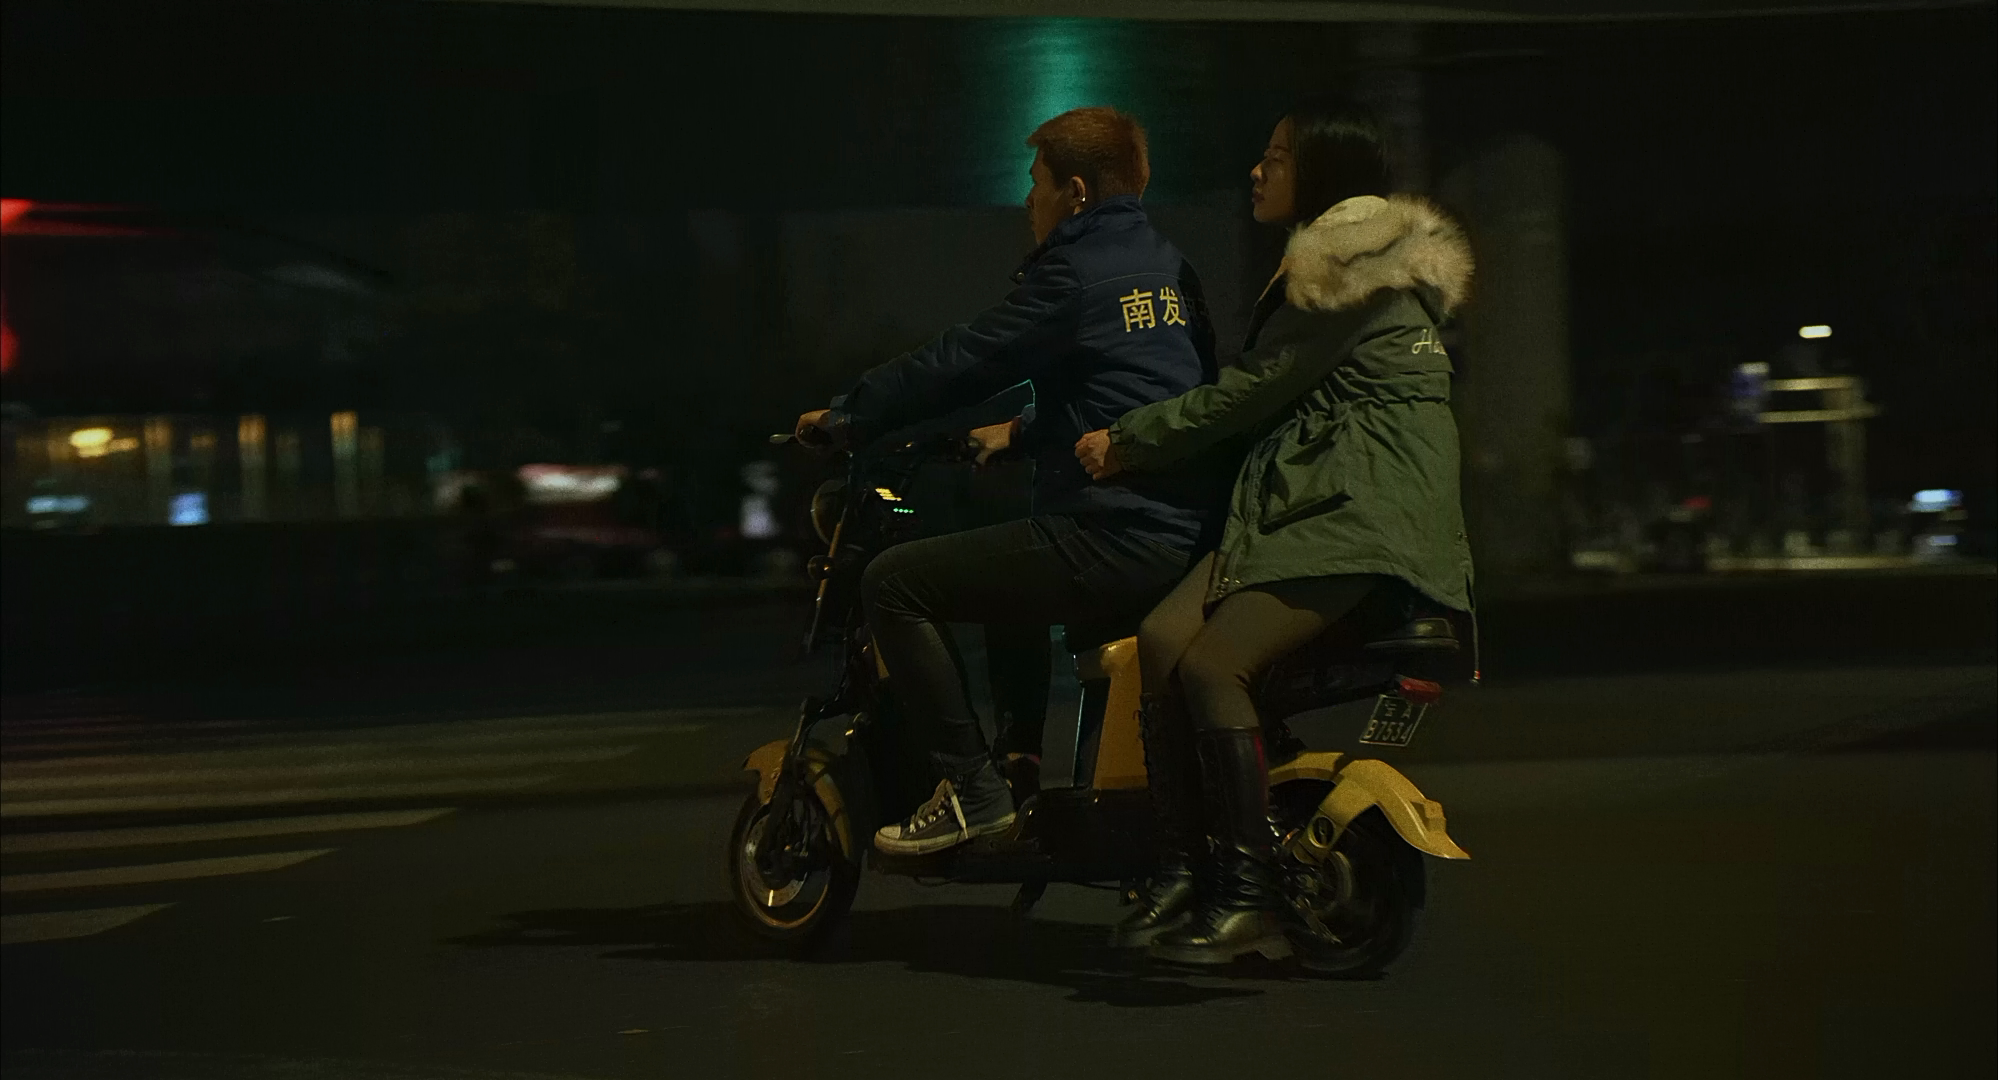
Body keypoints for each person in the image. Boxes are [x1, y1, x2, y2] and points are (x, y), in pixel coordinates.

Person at [1075, 101, 1476, 963]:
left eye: (1278, 156)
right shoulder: (1355, 264)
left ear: (1323, 172)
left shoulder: (1348, 271)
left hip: (1356, 513)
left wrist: (1128, 442)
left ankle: (1245, 894)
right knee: (1160, 637)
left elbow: (1248, 391)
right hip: (1306, 499)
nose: (1258, 171)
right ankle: (1181, 869)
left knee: (1214, 665)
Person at [795, 105, 1221, 857]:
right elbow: (1148, 393)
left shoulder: (1075, 272)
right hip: (1177, 526)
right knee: (1006, 559)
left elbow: (966, 360)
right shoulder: (1166, 266)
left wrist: (850, 414)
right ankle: (1018, 762)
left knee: (892, 584)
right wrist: (1020, 433)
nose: (1029, 200)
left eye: (1037, 183)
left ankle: (972, 791)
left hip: (1117, 531)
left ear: (1076, 192)